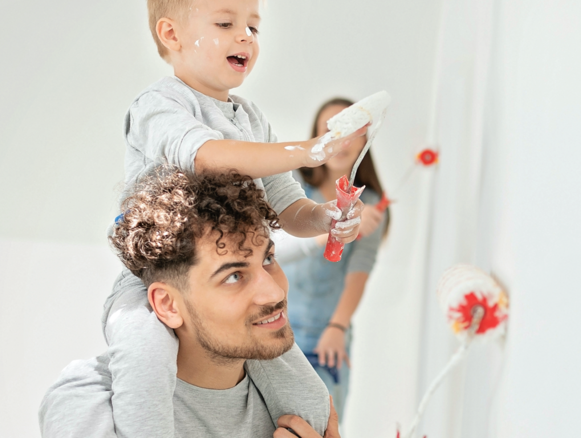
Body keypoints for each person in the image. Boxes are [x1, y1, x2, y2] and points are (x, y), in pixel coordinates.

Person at [104, 1, 372, 437]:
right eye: (226, 24)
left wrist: (326, 217)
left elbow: (289, 209)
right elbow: (206, 156)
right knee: (142, 365)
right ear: (171, 36)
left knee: (314, 409)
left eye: (253, 26)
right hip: (150, 285)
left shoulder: (251, 120)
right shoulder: (158, 105)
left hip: (236, 283)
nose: (246, 35)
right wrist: (312, 150)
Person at [41, 168, 338, 438]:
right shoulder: (89, 403)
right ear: (168, 305)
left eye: (269, 259)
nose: (274, 293)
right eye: (234, 276)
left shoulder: (296, 407)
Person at [283, 98, 391, 421]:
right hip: (277, 331)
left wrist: (337, 326)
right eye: (331, 131)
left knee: (323, 424)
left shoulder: (370, 206)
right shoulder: (291, 188)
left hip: (325, 336)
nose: (340, 142)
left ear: (365, 138)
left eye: (351, 132)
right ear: (317, 138)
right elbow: (271, 248)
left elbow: (359, 272)